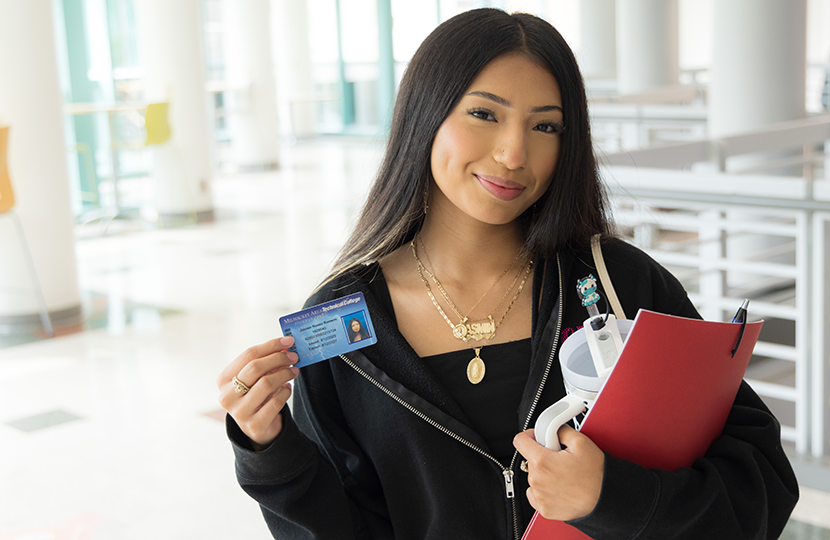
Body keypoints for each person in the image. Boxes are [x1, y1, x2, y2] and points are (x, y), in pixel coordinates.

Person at [215, 8, 798, 539]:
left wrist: (612, 497)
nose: (514, 153)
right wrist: (268, 449)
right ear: (426, 115)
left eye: (546, 126)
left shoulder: (619, 286)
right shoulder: (343, 326)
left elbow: (763, 487)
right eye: (484, 114)